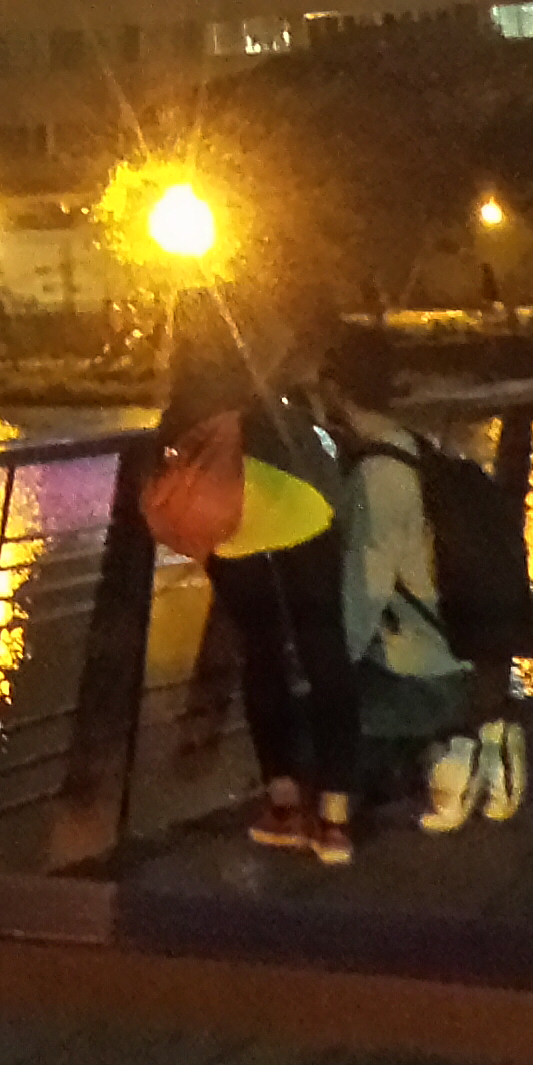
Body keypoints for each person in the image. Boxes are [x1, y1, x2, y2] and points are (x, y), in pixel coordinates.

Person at [159, 271, 357, 864]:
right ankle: (335, 820)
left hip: (233, 524)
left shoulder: (187, 390)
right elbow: (300, 342)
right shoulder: (261, 365)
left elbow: (167, 450)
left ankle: (284, 807)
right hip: (300, 508)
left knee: (263, 656)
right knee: (325, 651)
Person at [322, 320, 514, 836]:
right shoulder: (413, 447)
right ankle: (480, 746)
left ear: (334, 391)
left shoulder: (378, 476)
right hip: (459, 658)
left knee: (307, 716)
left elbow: (362, 595)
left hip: (424, 681)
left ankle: (444, 755)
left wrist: (319, 673)